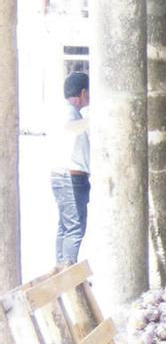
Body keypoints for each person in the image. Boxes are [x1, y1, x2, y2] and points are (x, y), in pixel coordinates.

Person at [50, 72, 91, 266]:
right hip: (70, 177)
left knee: (66, 226)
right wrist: (98, 119)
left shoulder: (70, 112)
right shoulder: (68, 112)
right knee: (74, 227)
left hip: (66, 176)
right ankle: (68, 270)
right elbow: (70, 128)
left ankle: (61, 268)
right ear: (83, 92)